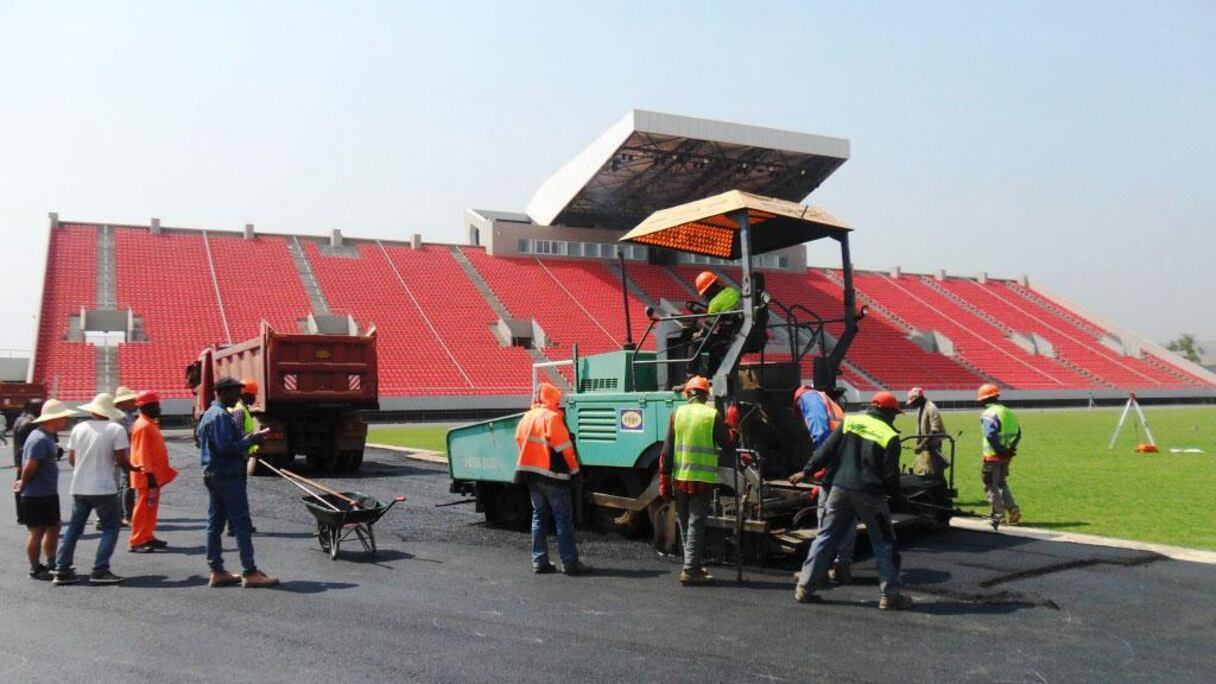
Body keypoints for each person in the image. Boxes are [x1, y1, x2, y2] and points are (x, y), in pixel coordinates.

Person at [790, 391, 911, 610]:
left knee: (825, 537)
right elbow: (890, 476)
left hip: (839, 489)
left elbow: (826, 450)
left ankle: (804, 588)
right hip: (869, 494)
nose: (894, 417)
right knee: (884, 544)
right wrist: (900, 498)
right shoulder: (890, 436)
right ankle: (890, 596)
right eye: (894, 413)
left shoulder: (849, 422)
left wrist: (806, 471)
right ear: (886, 411)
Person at [198, 377, 277, 588]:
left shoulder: (209, 415)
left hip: (214, 474)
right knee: (241, 523)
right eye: (235, 392)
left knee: (215, 522)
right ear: (223, 392)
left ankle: (217, 570)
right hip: (227, 475)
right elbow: (226, 447)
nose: (238, 396)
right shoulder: (220, 417)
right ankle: (250, 572)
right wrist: (252, 440)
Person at [659, 376, 736, 585]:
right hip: (701, 480)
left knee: (685, 523)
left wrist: (664, 479)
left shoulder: (677, 414)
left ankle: (691, 564)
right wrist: (733, 427)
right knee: (696, 523)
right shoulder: (712, 415)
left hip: (680, 478)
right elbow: (728, 445)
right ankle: (691, 569)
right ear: (705, 395)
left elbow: (666, 451)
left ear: (688, 394)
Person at [53, 393, 133, 585]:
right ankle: (100, 569)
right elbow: (121, 459)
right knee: (111, 528)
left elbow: (73, 459)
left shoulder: (79, 428)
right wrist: (134, 468)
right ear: (109, 412)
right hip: (104, 487)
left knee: (74, 528)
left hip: (79, 486)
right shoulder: (115, 429)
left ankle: (61, 569)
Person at [513, 382, 590, 576]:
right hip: (552, 476)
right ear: (552, 398)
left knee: (538, 516)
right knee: (563, 518)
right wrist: (575, 471)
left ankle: (539, 561)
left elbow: (518, 440)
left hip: (530, 475)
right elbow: (565, 448)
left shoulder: (527, 417)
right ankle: (570, 562)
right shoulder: (552, 418)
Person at [794, 384, 855, 584]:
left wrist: (820, 469)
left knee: (826, 517)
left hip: (833, 464)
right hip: (846, 462)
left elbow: (820, 432)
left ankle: (818, 571)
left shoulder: (807, 398)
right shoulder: (824, 398)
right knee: (846, 516)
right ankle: (842, 566)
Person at [13, 399, 76, 580]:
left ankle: (51, 562)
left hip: (46, 492)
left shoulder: (45, 436)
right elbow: (31, 466)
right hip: (37, 494)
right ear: (53, 418)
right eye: (63, 417)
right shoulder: (39, 438)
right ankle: (35, 568)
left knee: (53, 527)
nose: (65, 420)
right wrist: (23, 484)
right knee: (37, 532)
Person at [128, 391, 177, 552]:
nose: (159, 408)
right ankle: (137, 540)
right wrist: (149, 475)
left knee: (150, 507)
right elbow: (141, 452)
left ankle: (147, 535)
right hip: (147, 476)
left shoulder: (147, 423)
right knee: (143, 507)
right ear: (147, 407)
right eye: (156, 405)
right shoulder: (143, 426)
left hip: (152, 475)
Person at [977, 383, 1022, 528]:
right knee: (1002, 483)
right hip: (1006, 456)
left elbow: (990, 434)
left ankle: (999, 516)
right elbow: (1018, 433)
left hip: (993, 456)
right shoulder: (1008, 412)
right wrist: (1009, 450)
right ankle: (1013, 510)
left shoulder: (989, 413)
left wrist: (1000, 450)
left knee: (990, 484)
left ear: (985, 399)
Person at [226, 378, 260, 536]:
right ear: (245, 395)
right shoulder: (240, 410)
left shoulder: (242, 408)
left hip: (242, 456)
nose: (255, 398)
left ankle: (239, 525)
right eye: (253, 395)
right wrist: (246, 449)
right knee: (237, 493)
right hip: (238, 458)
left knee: (238, 493)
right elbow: (238, 434)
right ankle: (236, 526)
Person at [11, 398, 44, 524]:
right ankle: (27, 515)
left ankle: (22, 515)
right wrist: (20, 463)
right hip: (28, 460)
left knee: (21, 487)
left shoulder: (20, 419)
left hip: (22, 460)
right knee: (29, 488)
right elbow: (22, 445)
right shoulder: (29, 422)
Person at [112, 386, 140, 526]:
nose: (135, 402)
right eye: (131, 400)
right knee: (126, 483)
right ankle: (125, 515)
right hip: (124, 453)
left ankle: (121, 514)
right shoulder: (119, 417)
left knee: (125, 483)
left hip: (128, 452)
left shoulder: (126, 416)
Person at [907, 387, 948, 477]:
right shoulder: (920, 409)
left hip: (932, 446)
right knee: (923, 471)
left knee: (933, 473)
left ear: (919, 398)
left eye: (913, 402)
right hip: (924, 446)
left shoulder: (931, 408)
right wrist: (919, 443)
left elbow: (935, 430)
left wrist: (921, 444)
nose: (912, 405)